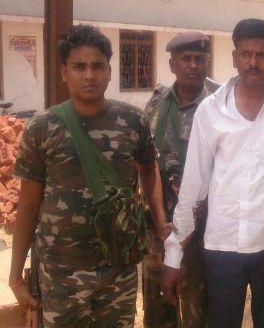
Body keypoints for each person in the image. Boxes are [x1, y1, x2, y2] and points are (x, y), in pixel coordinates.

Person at [160, 18, 264, 328]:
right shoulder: (210, 111)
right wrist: (173, 255)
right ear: (234, 57)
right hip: (223, 245)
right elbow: (194, 185)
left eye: (262, 55)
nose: (253, 62)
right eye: (246, 54)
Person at [8, 24, 168, 327]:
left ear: (109, 71)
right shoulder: (42, 128)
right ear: (63, 72)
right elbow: (28, 204)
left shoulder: (133, 121)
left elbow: (149, 170)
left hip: (118, 270)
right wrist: (16, 275)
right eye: (79, 66)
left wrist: (160, 221)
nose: (89, 75)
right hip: (61, 274)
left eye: (97, 66)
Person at [142, 32, 219, 328]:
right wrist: (161, 222)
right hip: (158, 231)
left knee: (199, 313)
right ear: (172, 64)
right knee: (157, 313)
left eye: (199, 59)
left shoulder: (221, 105)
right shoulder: (157, 103)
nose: (193, 65)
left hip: (202, 234)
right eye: (185, 59)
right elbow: (146, 164)